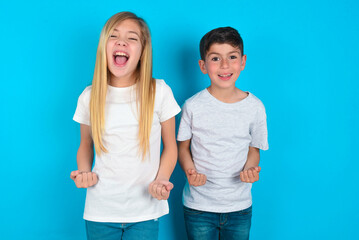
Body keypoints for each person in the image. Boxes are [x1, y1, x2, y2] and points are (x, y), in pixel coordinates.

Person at [70, 11, 181, 240]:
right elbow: (85, 145)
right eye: (114, 36)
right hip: (100, 211)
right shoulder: (89, 97)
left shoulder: (159, 91)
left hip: (145, 212)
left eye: (132, 38)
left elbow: (170, 147)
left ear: (142, 52)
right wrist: (84, 171)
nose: (121, 41)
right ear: (104, 47)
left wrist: (162, 179)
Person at [177, 27, 269, 240]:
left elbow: (253, 150)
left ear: (243, 62)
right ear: (203, 65)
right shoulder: (192, 106)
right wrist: (190, 171)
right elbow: (182, 148)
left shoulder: (255, 107)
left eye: (232, 57)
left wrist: (250, 168)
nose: (225, 65)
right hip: (198, 206)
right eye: (216, 58)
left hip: (239, 206)